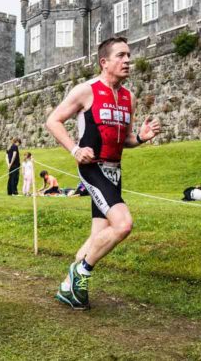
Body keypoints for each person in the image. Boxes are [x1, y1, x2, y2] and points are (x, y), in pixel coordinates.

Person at [45, 36, 161, 310]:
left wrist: (141, 137)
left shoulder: (128, 97)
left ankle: (66, 287)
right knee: (123, 224)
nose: (127, 60)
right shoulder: (86, 91)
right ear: (104, 62)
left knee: (98, 234)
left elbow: (126, 139)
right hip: (92, 169)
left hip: (115, 172)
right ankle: (81, 272)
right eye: (121, 55)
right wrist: (75, 150)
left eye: (129, 55)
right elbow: (53, 121)